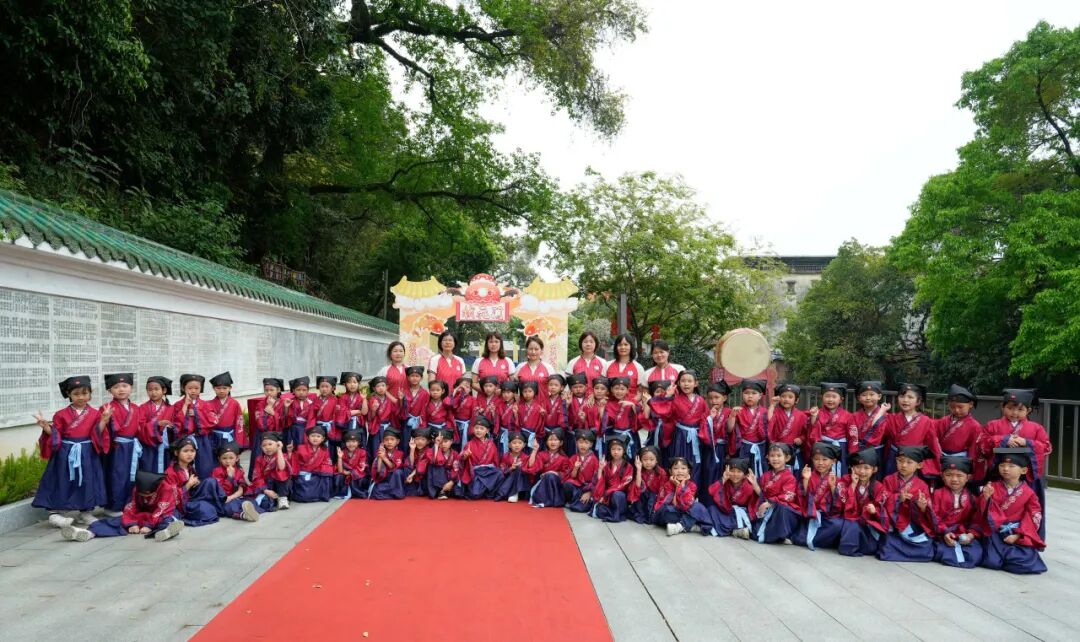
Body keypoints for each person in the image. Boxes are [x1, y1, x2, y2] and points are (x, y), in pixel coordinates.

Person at [33, 376, 108, 528]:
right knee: (62, 480)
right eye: (76, 394)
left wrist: (104, 421)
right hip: (65, 453)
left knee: (87, 481)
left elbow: (97, 433)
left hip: (87, 453)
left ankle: (85, 512)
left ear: (90, 394)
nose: (81, 397)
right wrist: (46, 427)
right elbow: (56, 434)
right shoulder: (60, 414)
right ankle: (56, 513)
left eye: (85, 393)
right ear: (69, 395)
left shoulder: (95, 413)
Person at [977, 388, 1050, 539]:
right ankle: (991, 535)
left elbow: (1046, 447)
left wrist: (1027, 442)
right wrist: (1002, 439)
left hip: (1025, 475)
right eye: (1010, 408)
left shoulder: (1036, 428)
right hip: (999, 473)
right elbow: (982, 444)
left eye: (1020, 409)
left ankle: (1024, 535)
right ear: (1002, 407)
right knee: (993, 501)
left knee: (1028, 506)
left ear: (1028, 410)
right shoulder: (992, 425)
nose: (1014, 413)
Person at [60, 471, 183, 543]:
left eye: (148, 495)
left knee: (167, 519)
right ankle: (89, 533)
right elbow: (131, 507)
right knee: (118, 521)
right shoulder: (137, 489)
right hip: (143, 514)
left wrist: (148, 526)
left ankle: (166, 531)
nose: (145, 497)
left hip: (162, 513)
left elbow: (161, 509)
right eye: (142, 494)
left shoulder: (166, 488)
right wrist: (131, 524)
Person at [980, 448, 1047, 574]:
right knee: (991, 562)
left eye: (1011, 466)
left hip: (1017, 532)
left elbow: (1033, 515)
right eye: (1002, 465)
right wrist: (986, 499)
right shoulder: (992, 487)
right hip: (995, 531)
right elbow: (981, 512)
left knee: (1025, 563)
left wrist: (1018, 536)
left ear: (1023, 470)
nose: (1005, 469)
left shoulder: (1029, 493)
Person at [877, 445, 935, 562]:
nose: (903, 465)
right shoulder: (889, 480)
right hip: (893, 523)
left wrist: (923, 507)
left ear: (919, 465)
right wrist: (898, 498)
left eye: (909, 462)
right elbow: (882, 500)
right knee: (887, 542)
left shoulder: (922, 485)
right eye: (900, 461)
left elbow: (928, 510)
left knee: (926, 544)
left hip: (912, 524)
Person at [930, 456, 983, 569]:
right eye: (949, 475)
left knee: (975, 554)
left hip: (962, 533)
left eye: (959, 475)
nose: (954, 479)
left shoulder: (972, 498)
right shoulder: (937, 494)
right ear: (942, 476)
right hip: (941, 533)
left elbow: (976, 520)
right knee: (937, 550)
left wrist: (970, 535)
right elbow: (933, 516)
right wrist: (945, 532)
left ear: (968, 477)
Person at [647, 370, 706, 473]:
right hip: (679, 436)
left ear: (696, 383)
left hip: (696, 437)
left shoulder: (701, 400)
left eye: (689, 381)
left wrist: (703, 433)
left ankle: (693, 483)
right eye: (683, 381)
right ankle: (677, 482)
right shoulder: (674, 399)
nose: (686, 384)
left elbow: (705, 418)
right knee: (679, 460)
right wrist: (668, 396)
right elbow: (664, 412)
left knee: (695, 463)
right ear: (678, 383)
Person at [835, 448, 889, 557]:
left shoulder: (879, 487)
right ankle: (848, 548)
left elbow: (885, 514)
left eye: (866, 468)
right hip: (848, 522)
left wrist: (875, 511)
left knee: (854, 525)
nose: (862, 471)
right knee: (848, 523)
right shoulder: (845, 480)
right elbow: (842, 507)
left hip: (867, 527)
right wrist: (853, 485)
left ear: (874, 469)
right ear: (852, 468)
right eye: (858, 467)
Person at [882, 383, 942, 480]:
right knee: (892, 483)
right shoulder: (891, 418)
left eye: (910, 397)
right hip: (895, 459)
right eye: (902, 396)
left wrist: (938, 465)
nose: (905, 400)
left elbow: (932, 445)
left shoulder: (926, 421)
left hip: (914, 460)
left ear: (918, 401)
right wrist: (882, 411)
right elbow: (879, 433)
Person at [101, 372, 141, 515]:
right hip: (117, 448)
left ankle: (129, 504)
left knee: (131, 475)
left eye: (125, 386)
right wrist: (105, 419)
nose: (121, 389)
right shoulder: (106, 407)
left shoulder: (135, 407)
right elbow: (102, 430)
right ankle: (113, 506)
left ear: (131, 388)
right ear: (110, 390)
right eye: (116, 387)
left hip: (132, 446)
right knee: (117, 475)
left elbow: (140, 427)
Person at [165, 436, 227, 526]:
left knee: (211, 481)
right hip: (182, 505)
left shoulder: (190, 468)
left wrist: (196, 484)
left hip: (192, 498)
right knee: (206, 509)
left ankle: (222, 503)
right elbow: (170, 496)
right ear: (176, 453)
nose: (189, 454)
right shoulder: (171, 472)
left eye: (192, 451)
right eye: (185, 451)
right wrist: (188, 485)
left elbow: (194, 491)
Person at [791, 442, 842, 550]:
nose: (820, 463)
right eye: (816, 459)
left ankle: (804, 539)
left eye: (824, 459)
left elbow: (838, 506)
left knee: (838, 524)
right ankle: (811, 539)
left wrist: (833, 487)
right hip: (808, 513)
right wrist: (806, 480)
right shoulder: (808, 475)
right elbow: (800, 499)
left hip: (826, 516)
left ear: (833, 461)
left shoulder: (837, 479)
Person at [753, 443, 803, 544]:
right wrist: (754, 484)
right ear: (768, 457)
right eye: (772, 456)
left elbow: (788, 496)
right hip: (768, 507)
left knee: (781, 508)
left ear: (787, 458)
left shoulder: (790, 477)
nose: (775, 459)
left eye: (779, 456)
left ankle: (782, 534)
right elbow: (762, 495)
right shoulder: (766, 475)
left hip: (782, 509)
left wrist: (770, 502)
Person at [171, 374, 218, 477]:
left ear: (200, 389)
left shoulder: (206, 404)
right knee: (185, 465)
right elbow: (175, 424)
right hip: (185, 441)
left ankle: (204, 485)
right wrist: (185, 406)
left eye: (196, 388)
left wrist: (197, 413)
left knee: (204, 466)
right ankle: (187, 485)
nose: (193, 391)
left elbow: (213, 420)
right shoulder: (178, 405)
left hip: (202, 440)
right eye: (190, 388)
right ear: (183, 388)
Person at [807, 382, 857, 477]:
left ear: (841, 399)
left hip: (841, 447)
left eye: (834, 397)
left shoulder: (848, 415)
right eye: (827, 396)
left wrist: (852, 452)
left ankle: (839, 486)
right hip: (823, 446)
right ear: (822, 397)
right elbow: (813, 430)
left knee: (841, 469)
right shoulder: (818, 413)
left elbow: (852, 435)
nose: (830, 399)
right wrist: (813, 417)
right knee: (822, 469)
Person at [652, 457, 712, 536]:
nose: (680, 471)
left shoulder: (692, 485)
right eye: (676, 468)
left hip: (686, 510)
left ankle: (679, 527)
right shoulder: (667, 485)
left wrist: (682, 485)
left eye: (683, 468)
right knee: (665, 512)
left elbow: (688, 503)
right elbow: (674, 504)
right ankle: (690, 526)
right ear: (670, 471)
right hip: (673, 511)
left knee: (698, 507)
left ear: (688, 471)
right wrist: (678, 486)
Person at [706, 458, 759, 539]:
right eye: (732, 471)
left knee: (738, 517)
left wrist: (754, 485)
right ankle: (734, 530)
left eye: (739, 471)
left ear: (745, 474)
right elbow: (711, 491)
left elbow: (758, 500)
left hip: (742, 514)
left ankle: (731, 529)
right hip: (727, 510)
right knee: (712, 509)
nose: (735, 474)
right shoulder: (726, 482)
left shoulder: (748, 485)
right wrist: (723, 479)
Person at [698, 383, 732, 505]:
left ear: (724, 398)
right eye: (710, 398)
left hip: (723, 449)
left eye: (717, 397)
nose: (713, 401)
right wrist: (710, 419)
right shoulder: (706, 413)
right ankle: (707, 503)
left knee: (723, 474)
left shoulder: (729, 412)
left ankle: (721, 504)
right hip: (710, 449)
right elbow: (703, 432)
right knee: (708, 474)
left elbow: (731, 431)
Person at [728, 379, 769, 479]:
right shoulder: (738, 411)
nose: (750, 396)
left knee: (760, 471)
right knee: (744, 472)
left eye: (754, 393)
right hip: (744, 448)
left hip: (760, 448)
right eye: (746, 393)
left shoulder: (765, 412)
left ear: (760, 396)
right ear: (742, 394)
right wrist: (732, 416)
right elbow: (729, 429)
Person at [590, 435, 636, 522]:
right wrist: (600, 469)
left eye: (619, 449)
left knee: (617, 495)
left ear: (624, 450)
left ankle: (617, 513)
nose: (616, 452)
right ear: (610, 451)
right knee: (598, 509)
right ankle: (614, 513)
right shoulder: (607, 465)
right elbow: (601, 481)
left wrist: (608, 492)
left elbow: (624, 484)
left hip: (619, 496)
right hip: (608, 497)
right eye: (613, 449)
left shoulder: (628, 466)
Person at [211, 443, 261, 522]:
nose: (228, 461)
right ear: (219, 459)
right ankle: (243, 515)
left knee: (250, 501)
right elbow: (221, 490)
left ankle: (249, 511)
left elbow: (241, 490)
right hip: (223, 499)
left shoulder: (239, 471)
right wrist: (229, 477)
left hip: (234, 497)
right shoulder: (216, 471)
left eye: (231, 458)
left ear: (237, 458)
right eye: (224, 458)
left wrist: (231, 497)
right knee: (229, 507)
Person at [598, 376, 643, 460]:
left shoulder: (632, 401)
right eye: (616, 388)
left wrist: (632, 406)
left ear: (627, 390)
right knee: (617, 456)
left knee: (633, 456)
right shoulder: (609, 404)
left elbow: (641, 416)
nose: (619, 391)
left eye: (622, 389)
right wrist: (601, 408)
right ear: (611, 389)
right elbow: (605, 423)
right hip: (616, 435)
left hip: (630, 434)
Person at [851, 381, 889, 478]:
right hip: (859, 451)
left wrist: (881, 412)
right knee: (859, 475)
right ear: (859, 398)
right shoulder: (854, 416)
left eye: (872, 394)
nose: (868, 398)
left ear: (879, 396)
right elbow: (852, 436)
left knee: (876, 477)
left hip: (877, 451)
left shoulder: (885, 415)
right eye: (864, 395)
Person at [248, 378, 284, 479]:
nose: (269, 392)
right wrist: (269, 408)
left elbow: (284, 422)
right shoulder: (260, 404)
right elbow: (261, 424)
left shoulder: (283, 404)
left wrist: (273, 413)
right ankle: (258, 479)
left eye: (271, 390)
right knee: (260, 457)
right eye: (266, 390)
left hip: (276, 436)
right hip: (262, 435)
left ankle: (277, 478)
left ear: (278, 390)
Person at [767, 383, 809, 471]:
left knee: (795, 473)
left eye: (790, 397)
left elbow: (806, 432)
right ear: (779, 398)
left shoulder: (802, 415)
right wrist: (772, 405)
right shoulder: (776, 413)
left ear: (796, 400)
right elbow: (769, 421)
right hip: (779, 450)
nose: (786, 399)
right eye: (783, 396)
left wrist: (801, 439)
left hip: (794, 449)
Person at [525, 429, 571, 508]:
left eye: (555, 440)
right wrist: (535, 450)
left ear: (561, 443)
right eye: (550, 440)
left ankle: (553, 500)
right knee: (548, 476)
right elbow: (532, 466)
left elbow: (566, 474)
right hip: (543, 482)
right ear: (546, 442)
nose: (553, 442)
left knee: (551, 476)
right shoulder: (541, 454)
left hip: (556, 483)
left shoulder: (564, 458)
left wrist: (555, 473)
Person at [138, 375, 175, 474]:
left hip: (165, 446)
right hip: (149, 446)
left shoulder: (171, 408)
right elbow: (140, 426)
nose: (153, 392)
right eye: (150, 390)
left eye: (156, 389)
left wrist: (171, 428)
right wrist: (156, 424)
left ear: (164, 390)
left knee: (166, 470)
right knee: (149, 470)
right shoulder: (143, 408)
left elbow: (176, 425)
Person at [459, 417, 503, 499]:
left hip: (488, 471)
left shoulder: (491, 444)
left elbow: (496, 461)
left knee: (499, 473)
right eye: (476, 428)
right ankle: (484, 489)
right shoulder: (469, 444)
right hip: (476, 473)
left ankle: (488, 492)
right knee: (474, 494)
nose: (478, 430)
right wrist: (465, 456)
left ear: (487, 431)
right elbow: (461, 458)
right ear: (473, 429)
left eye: (481, 428)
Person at [291, 426, 334, 502]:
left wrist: (316, 469)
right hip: (303, 474)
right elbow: (295, 462)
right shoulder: (301, 448)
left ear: (323, 439)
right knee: (304, 496)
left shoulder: (324, 450)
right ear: (308, 437)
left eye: (318, 436)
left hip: (316, 474)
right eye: (313, 436)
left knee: (326, 475)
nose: (315, 438)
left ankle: (321, 495)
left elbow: (327, 463)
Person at [250, 432, 292, 510]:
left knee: (281, 473)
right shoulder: (259, 459)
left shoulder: (282, 456)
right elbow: (257, 477)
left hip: (280, 487)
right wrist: (266, 490)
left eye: (270, 444)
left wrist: (279, 450)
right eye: (264, 445)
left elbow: (281, 467)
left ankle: (282, 498)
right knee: (265, 503)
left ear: (277, 444)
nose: (267, 447)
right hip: (266, 487)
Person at [628, 446, 666, 524]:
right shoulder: (640, 471)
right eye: (645, 460)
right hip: (643, 498)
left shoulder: (661, 472)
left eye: (651, 459)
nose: (648, 462)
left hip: (655, 498)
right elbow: (637, 487)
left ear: (656, 460)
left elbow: (662, 489)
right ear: (640, 460)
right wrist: (638, 469)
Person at [514, 336, 556, 405]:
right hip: (524, 407)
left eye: (536, 349)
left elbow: (554, 388)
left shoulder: (549, 368)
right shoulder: (520, 367)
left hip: (543, 407)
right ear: (526, 350)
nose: (533, 352)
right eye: (531, 349)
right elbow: (514, 387)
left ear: (541, 351)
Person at [565, 430, 601, 511]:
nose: (583, 445)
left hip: (588, 488)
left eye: (586, 443)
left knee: (579, 508)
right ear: (576, 443)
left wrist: (590, 493)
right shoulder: (574, 458)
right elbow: (572, 476)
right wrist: (575, 468)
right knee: (567, 484)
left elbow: (597, 480)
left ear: (591, 444)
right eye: (580, 442)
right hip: (577, 486)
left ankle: (578, 502)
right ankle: (573, 501)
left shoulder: (594, 460)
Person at [365, 376, 400, 460]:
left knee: (388, 446)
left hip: (388, 427)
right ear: (374, 388)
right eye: (378, 386)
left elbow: (395, 412)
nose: (381, 388)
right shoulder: (372, 399)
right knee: (376, 447)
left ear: (387, 387)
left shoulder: (389, 399)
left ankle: (387, 464)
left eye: (383, 385)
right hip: (377, 427)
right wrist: (373, 410)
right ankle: (375, 465)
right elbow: (370, 417)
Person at [367, 428, 406, 500]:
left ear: (397, 441)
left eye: (392, 439)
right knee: (376, 490)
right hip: (385, 479)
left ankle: (397, 493)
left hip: (396, 480)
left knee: (398, 472)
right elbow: (378, 470)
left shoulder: (400, 453)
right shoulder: (381, 452)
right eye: (386, 440)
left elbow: (393, 467)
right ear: (383, 442)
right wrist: (380, 457)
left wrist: (384, 457)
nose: (389, 442)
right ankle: (392, 494)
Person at [495, 432, 531, 502]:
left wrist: (520, 468)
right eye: (514, 443)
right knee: (514, 472)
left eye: (520, 443)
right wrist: (511, 468)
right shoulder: (505, 456)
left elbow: (529, 472)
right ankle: (511, 493)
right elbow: (502, 470)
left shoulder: (526, 457)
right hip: (508, 481)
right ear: (509, 445)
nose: (517, 445)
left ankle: (513, 493)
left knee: (519, 470)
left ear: (524, 445)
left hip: (522, 485)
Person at [283, 376, 315, 452]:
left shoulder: (311, 402)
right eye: (298, 390)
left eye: (304, 390)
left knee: (304, 447)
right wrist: (286, 407)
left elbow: (312, 418)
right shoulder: (290, 402)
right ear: (293, 390)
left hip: (306, 428)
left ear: (308, 391)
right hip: (293, 429)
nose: (301, 392)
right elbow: (286, 418)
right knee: (293, 447)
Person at [427, 428, 461, 499]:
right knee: (438, 467)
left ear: (451, 441)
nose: (443, 444)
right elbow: (435, 461)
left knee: (459, 475)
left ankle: (447, 490)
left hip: (450, 479)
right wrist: (436, 445)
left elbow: (456, 469)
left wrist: (451, 482)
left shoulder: (455, 454)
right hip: (436, 479)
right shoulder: (431, 451)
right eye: (440, 442)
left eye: (445, 441)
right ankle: (442, 491)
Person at [335, 429, 368, 499]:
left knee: (357, 477)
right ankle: (342, 492)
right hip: (345, 474)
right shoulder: (343, 452)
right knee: (338, 476)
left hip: (357, 474)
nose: (351, 444)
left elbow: (361, 467)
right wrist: (340, 457)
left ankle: (357, 493)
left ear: (358, 442)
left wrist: (349, 472)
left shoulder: (362, 452)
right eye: (348, 441)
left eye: (354, 441)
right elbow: (340, 470)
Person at [400, 366, 429, 446]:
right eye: (412, 376)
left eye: (417, 376)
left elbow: (425, 409)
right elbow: (401, 408)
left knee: (418, 443)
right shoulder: (404, 392)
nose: (414, 378)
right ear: (408, 378)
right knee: (406, 442)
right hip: (407, 422)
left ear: (421, 378)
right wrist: (400, 399)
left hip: (419, 422)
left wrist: (422, 422)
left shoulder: (425, 393)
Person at [313, 375, 339, 462]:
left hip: (331, 427)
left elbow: (337, 416)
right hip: (319, 427)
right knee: (319, 446)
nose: (324, 389)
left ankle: (331, 464)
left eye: (327, 386)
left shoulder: (336, 400)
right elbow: (312, 416)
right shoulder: (315, 400)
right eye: (322, 386)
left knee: (331, 447)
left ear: (333, 388)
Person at [516, 380, 545, 453]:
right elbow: (516, 421)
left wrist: (543, 415)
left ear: (534, 392)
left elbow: (540, 423)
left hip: (533, 434)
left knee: (532, 451)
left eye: (530, 391)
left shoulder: (539, 407)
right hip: (522, 433)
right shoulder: (519, 406)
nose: (527, 394)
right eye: (525, 391)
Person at [335, 372, 367, 439]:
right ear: (345, 384)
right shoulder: (342, 398)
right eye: (349, 382)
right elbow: (342, 412)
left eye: (355, 382)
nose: (352, 385)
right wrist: (357, 411)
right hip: (346, 424)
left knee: (359, 442)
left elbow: (364, 412)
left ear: (358, 384)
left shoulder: (361, 397)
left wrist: (364, 399)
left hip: (359, 424)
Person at [404, 428, 434, 497]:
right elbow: (410, 464)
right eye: (417, 439)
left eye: (423, 439)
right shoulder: (414, 450)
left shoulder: (429, 451)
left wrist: (411, 475)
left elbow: (421, 466)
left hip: (424, 478)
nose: (419, 441)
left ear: (428, 441)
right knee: (406, 467)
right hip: (414, 476)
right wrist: (412, 449)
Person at [423, 380, 453, 446]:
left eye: (438, 390)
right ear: (429, 391)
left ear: (443, 391)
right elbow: (424, 417)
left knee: (442, 445)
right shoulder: (427, 403)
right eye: (432, 390)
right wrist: (424, 428)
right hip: (430, 428)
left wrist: (448, 427)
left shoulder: (446, 402)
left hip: (443, 428)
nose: (435, 392)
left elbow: (449, 416)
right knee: (431, 445)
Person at [450, 375, 475, 449]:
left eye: (467, 387)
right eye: (461, 387)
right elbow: (450, 406)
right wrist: (455, 394)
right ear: (456, 387)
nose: (464, 389)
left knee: (462, 445)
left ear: (470, 389)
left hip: (465, 426)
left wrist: (471, 428)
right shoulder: (452, 398)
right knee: (453, 444)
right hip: (453, 425)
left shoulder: (473, 399)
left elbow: (473, 415)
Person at [496, 381, 519, 453]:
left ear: (514, 393)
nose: (506, 395)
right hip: (502, 432)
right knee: (502, 452)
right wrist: (493, 413)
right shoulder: (500, 405)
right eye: (504, 392)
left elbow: (521, 422)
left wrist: (516, 415)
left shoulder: (518, 405)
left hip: (513, 433)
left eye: (508, 393)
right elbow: (497, 421)